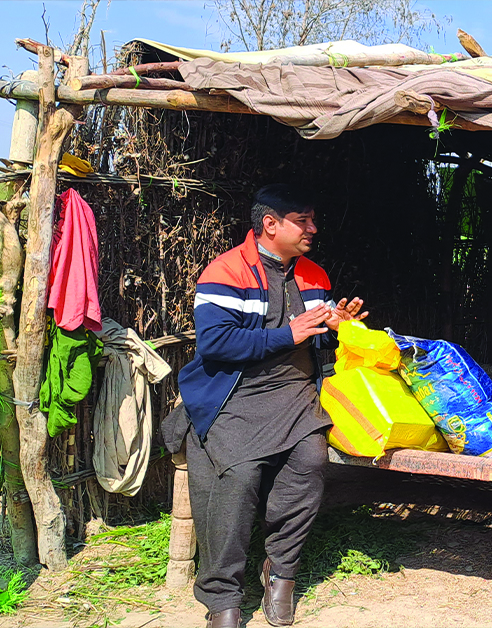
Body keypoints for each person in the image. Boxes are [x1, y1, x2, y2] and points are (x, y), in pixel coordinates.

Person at [177, 184, 366, 628]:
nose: (313, 229)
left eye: (312, 220)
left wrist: (340, 326)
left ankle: (280, 570)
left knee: (311, 461)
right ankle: (222, 595)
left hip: (296, 397)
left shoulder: (314, 274)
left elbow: (315, 334)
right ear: (270, 224)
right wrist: (290, 334)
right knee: (237, 476)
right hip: (234, 395)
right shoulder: (225, 271)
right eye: (304, 221)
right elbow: (215, 343)